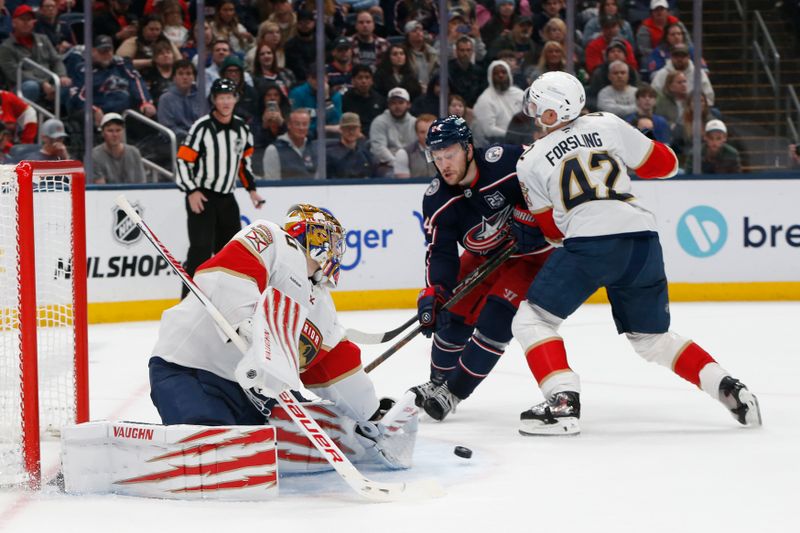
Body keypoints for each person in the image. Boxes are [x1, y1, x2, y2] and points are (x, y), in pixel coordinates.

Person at [513, 71, 761, 436]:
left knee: (532, 319)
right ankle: (727, 386)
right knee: (652, 339)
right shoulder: (607, 124)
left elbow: (553, 232)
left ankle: (562, 403)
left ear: (552, 111)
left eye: (538, 105)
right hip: (642, 240)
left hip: (590, 244)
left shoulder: (530, 159)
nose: (534, 111)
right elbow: (666, 165)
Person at [148, 204, 409, 467]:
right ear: (318, 236)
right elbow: (225, 275)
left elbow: (335, 368)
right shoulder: (271, 237)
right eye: (333, 241)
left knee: (257, 451)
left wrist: (371, 413)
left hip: (250, 391)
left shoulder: (321, 305)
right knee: (212, 451)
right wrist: (247, 324)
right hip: (189, 369)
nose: (335, 251)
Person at [408, 115, 551, 421]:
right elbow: (441, 253)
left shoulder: (506, 161)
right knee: (450, 310)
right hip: (487, 256)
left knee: (495, 318)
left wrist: (534, 216)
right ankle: (437, 382)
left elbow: (549, 174)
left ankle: (453, 392)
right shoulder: (437, 200)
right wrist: (435, 291)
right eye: (437, 156)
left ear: (468, 148)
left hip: (532, 257)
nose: (444, 164)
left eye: (451, 154)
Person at [176, 78, 264, 298]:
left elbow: (244, 164)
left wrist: (252, 190)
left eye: (229, 97)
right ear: (214, 100)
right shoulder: (202, 127)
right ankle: (188, 302)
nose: (226, 102)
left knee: (231, 254)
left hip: (227, 198)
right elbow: (184, 160)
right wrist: (191, 190)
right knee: (200, 250)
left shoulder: (242, 129)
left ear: (235, 99)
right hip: (203, 197)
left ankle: (227, 301)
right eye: (221, 97)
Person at [0, 5, 71, 105]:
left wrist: (62, 76)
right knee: (31, 86)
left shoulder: (43, 39)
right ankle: (24, 118)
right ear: (14, 22)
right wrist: (42, 83)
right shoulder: (6, 47)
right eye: (22, 19)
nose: (26, 22)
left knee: (67, 83)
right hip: (21, 87)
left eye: (29, 19)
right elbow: (15, 74)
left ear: (34, 22)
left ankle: (69, 117)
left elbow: (56, 60)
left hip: (48, 83)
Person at [472, 60, 524, 147]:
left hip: (524, 139)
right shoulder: (485, 99)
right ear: (490, 77)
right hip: (498, 144)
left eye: (504, 72)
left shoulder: (519, 94)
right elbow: (488, 130)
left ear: (509, 74)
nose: (500, 75)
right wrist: (514, 135)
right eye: (496, 73)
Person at [369, 87, 416, 177]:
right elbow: (379, 149)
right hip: (387, 165)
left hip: (411, 165)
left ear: (408, 104)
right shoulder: (379, 121)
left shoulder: (415, 123)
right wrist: (399, 165)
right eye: (393, 103)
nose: (397, 106)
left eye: (401, 103)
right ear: (388, 105)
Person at [261, 108, 318, 180]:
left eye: (305, 124)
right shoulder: (273, 150)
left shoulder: (314, 147)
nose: (301, 128)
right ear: (289, 125)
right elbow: (272, 183)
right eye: (297, 124)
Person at [157, 59, 204, 144]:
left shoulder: (201, 97)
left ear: (194, 77)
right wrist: (191, 137)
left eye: (188, 74)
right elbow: (168, 128)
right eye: (180, 74)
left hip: (199, 140)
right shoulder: (165, 99)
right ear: (174, 77)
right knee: (193, 156)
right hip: (175, 143)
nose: (185, 77)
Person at [92, 113, 147, 184]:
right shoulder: (94, 155)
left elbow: (141, 183)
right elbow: (100, 188)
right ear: (102, 133)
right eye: (110, 131)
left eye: (118, 130)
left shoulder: (134, 152)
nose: (115, 134)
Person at [326, 112, 375, 179]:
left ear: (359, 129)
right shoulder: (330, 155)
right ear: (341, 129)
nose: (351, 131)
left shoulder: (365, 154)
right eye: (347, 128)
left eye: (354, 128)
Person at [341, 64, 386, 133]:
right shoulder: (345, 99)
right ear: (353, 81)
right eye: (360, 78)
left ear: (372, 81)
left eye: (367, 78)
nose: (364, 81)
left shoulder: (380, 100)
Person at [393, 113, 437, 178]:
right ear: (416, 133)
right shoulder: (403, 154)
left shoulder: (447, 151)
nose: (426, 136)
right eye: (422, 132)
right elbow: (403, 185)